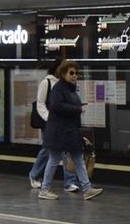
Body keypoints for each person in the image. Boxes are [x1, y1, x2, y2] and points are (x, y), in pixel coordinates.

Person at [40, 60, 102, 200]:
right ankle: (44, 190)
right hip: (60, 131)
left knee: (77, 159)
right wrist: (77, 109)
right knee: (54, 159)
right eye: (71, 73)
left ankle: (87, 188)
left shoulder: (69, 88)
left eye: (76, 73)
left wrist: (77, 108)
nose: (75, 76)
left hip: (68, 130)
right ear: (63, 74)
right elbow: (56, 106)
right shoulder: (59, 88)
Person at [28, 56, 82, 194]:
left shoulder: (68, 85)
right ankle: (34, 175)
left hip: (63, 123)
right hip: (50, 122)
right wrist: (48, 118)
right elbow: (40, 103)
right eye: (70, 72)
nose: (73, 75)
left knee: (64, 152)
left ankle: (69, 181)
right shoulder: (47, 82)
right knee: (48, 151)